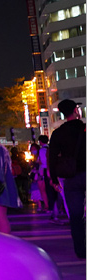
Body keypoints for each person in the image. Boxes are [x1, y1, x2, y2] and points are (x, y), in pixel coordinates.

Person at [48, 99, 86, 259]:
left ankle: (81, 250)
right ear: (76, 111)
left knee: (76, 215)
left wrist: (54, 179)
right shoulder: (84, 129)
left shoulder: (58, 133)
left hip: (71, 177)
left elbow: (52, 157)